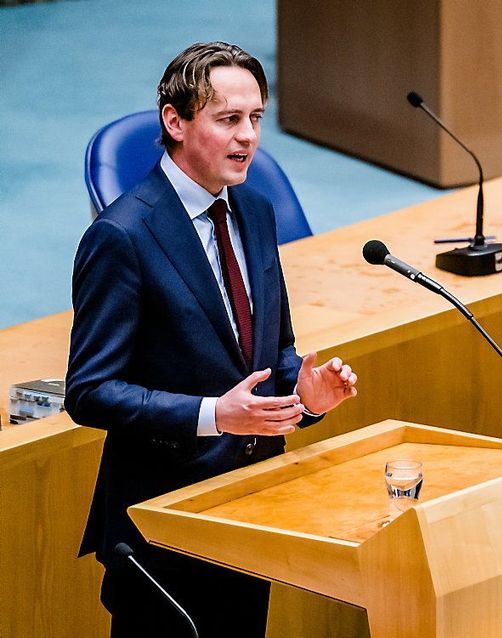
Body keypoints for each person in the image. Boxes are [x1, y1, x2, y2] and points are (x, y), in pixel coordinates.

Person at [66, 42, 358, 637]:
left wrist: (304, 396)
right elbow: (90, 390)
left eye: (255, 119)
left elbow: (270, 353)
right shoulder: (120, 236)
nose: (248, 137)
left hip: (248, 508)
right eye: (228, 120)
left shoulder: (255, 211)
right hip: (161, 527)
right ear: (175, 121)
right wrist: (214, 415)